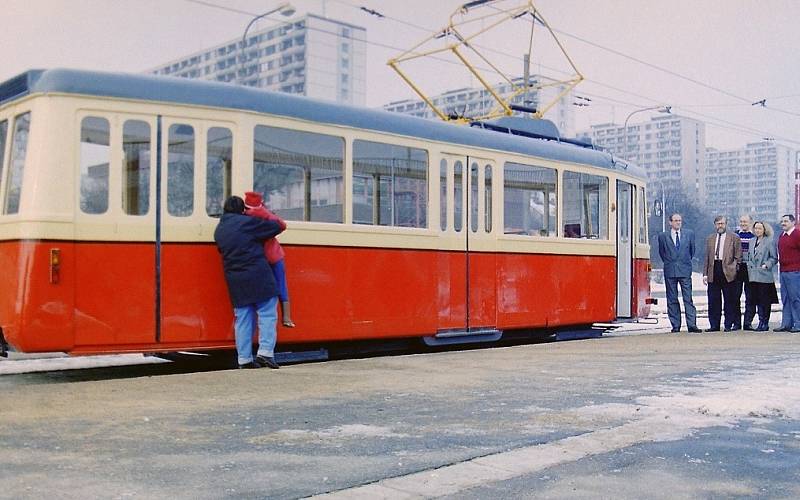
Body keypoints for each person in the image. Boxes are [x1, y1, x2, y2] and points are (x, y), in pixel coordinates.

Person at [214, 195, 286, 368]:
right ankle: (265, 352)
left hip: (235, 279)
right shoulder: (247, 223)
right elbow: (278, 226)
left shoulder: (219, 230)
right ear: (242, 210)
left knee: (243, 318)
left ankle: (244, 359)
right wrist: (259, 211)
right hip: (258, 274)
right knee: (267, 313)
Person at [244, 191, 295, 328]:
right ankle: (286, 316)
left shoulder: (245, 218)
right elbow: (282, 224)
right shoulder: (267, 216)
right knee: (281, 284)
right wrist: (265, 212)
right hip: (275, 255)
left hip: (260, 258)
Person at [657, 213, 701, 333]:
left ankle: (692, 324)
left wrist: (684, 262)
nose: (678, 222)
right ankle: (675, 324)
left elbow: (692, 251)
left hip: (685, 269)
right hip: (670, 269)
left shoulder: (689, 234)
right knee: (672, 299)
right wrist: (670, 262)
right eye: (675, 220)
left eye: (679, 220)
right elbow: (662, 252)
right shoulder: (663, 236)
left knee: (688, 298)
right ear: (670, 222)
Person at [702, 215, 742, 332]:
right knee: (713, 300)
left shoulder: (734, 237)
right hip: (714, 269)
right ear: (715, 225)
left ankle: (728, 324)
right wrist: (705, 274)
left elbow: (738, 256)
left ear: (726, 224)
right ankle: (714, 325)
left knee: (729, 299)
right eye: (718, 224)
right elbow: (707, 257)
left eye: (722, 223)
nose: (720, 226)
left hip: (728, 270)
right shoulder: (710, 238)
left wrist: (734, 268)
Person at [745, 221, 778, 331]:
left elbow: (774, 257)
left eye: (759, 228)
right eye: (756, 228)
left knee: (765, 300)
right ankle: (760, 321)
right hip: (753, 275)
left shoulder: (769, 242)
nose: (757, 230)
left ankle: (765, 322)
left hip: (764, 275)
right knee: (756, 300)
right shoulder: (752, 241)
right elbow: (749, 256)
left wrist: (766, 265)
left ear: (764, 230)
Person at [775, 214, 800, 333]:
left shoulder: (797, 235)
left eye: (786, 221)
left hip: (795, 272)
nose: (783, 223)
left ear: (793, 222)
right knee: (785, 298)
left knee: (795, 298)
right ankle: (786, 323)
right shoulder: (782, 236)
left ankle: (798, 323)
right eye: (782, 221)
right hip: (783, 271)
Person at [734, 214, 756, 329]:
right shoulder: (735, 235)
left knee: (750, 297)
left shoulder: (754, 236)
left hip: (750, 269)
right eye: (741, 221)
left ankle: (748, 322)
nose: (743, 224)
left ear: (751, 222)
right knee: (735, 297)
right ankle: (736, 323)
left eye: (745, 222)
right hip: (737, 269)